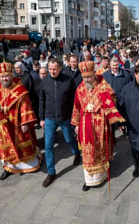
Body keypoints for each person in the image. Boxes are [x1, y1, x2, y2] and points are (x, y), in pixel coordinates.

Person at [0, 62, 42, 180]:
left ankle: (27, 165)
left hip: (17, 125)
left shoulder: (20, 90)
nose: (4, 79)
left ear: (11, 75)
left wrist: (25, 122)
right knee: (6, 148)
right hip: (3, 127)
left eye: (6, 76)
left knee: (22, 146)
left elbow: (26, 106)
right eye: (2, 77)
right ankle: (8, 168)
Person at [71, 60, 125, 191]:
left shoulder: (103, 85)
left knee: (101, 148)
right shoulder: (80, 88)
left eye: (89, 76)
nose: (86, 79)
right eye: (84, 77)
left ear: (94, 74)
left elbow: (113, 98)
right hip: (85, 126)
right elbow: (76, 107)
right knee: (88, 151)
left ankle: (102, 174)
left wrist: (102, 105)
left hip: (101, 124)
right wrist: (76, 124)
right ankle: (89, 180)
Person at [39, 58, 80, 187]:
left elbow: (75, 99)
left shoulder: (68, 80)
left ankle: (77, 152)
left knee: (69, 139)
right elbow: (41, 100)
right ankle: (51, 172)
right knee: (48, 145)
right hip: (50, 117)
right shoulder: (45, 82)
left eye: (54, 69)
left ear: (60, 68)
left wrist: (75, 117)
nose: (52, 72)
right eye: (50, 69)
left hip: (65, 117)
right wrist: (41, 118)